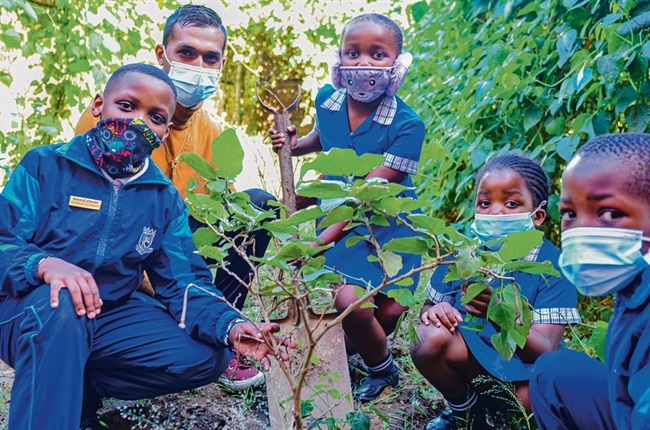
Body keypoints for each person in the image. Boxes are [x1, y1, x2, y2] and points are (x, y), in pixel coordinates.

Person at [0, 63, 293, 430]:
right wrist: (45, 265)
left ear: (165, 130)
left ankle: (79, 386)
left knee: (207, 355)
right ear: (98, 105)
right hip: (30, 308)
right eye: (126, 106)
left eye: (154, 116)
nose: (137, 121)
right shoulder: (46, 166)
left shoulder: (163, 197)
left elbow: (184, 281)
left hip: (107, 314)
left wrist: (231, 325)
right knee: (62, 306)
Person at [75, 4, 275, 391]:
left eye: (210, 57)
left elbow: (219, 222)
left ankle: (226, 329)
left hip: (178, 254)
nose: (198, 65)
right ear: (161, 55)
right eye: (186, 53)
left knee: (257, 206)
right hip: (121, 261)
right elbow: (91, 218)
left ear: (221, 65)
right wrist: (159, 288)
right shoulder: (116, 116)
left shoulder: (211, 132)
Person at [270, 13, 425, 402]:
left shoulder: (408, 125)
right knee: (352, 302)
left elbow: (365, 195)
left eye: (378, 54)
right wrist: (294, 143)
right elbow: (324, 137)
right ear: (339, 58)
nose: (364, 65)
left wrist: (318, 242)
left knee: (387, 313)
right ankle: (382, 369)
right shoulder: (329, 99)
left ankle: (365, 348)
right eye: (352, 53)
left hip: (386, 225)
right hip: (341, 224)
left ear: (398, 63)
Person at [410, 154, 581, 430]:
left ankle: (503, 415)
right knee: (426, 338)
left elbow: (544, 351)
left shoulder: (552, 267)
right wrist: (436, 312)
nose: (496, 212)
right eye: (485, 203)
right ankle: (466, 413)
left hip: (522, 373)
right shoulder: (466, 254)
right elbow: (428, 309)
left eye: (511, 203)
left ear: (537, 216)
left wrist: (499, 312)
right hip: (470, 361)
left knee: (535, 401)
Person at [529, 133, 650, 430]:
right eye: (570, 213)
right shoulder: (635, 282)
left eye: (609, 213)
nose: (581, 230)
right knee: (553, 372)